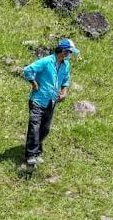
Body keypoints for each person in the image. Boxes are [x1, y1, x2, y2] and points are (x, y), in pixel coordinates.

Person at [22, 38, 79, 167]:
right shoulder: (47, 61)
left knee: (45, 129)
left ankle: (37, 152)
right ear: (63, 51)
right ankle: (30, 155)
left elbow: (65, 80)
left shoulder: (65, 65)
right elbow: (28, 70)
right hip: (37, 100)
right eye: (69, 52)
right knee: (34, 127)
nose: (70, 55)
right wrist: (33, 83)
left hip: (51, 102)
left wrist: (64, 92)